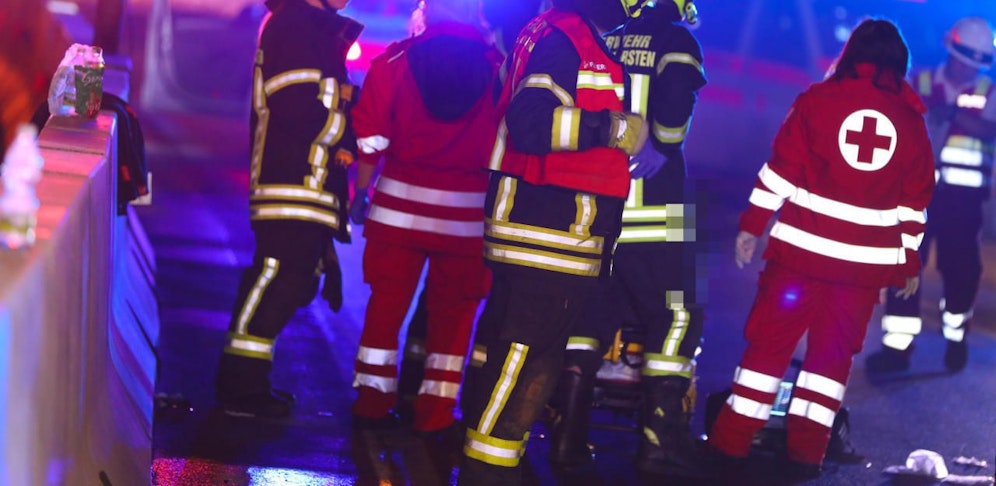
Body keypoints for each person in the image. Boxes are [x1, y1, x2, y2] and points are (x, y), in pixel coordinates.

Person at [707, 18, 935, 480]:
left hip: (799, 260)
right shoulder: (912, 124)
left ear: (852, 54)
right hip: (859, 273)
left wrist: (753, 224)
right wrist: (907, 260)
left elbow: (781, 171)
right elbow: (915, 204)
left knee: (767, 350)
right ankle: (805, 457)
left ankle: (729, 447)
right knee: (830, 363)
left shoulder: (817, 101)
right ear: (899, 65)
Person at [457, 0, 650, 483]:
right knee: (522, 354)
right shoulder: (566, 40)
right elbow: (530, 121)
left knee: (526, 354)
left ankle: (498, 461)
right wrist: (612, 128)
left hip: (547, 228)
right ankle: (484, 470)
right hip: (546, 229)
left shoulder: (556, 31)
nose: (640, 5)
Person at [547, 0, 708, 477]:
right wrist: (663, 142)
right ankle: (661, 441)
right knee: (679, 312)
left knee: (591, 313)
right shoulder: (676, 41)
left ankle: (567, 437)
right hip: (655, 210)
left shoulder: (597, 34)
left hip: (597, 205)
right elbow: (676, 100)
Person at [347, 0, 501, 438]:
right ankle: (435, 414)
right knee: (454, 320)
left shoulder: (395, 59)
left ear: (427, 11)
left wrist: (361, 191)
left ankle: (372, 403)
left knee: (385, 309)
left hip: (397, 211)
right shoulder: (497, 68)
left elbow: (371, 137)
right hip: (465, 220)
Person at [214, 0, 361, 419]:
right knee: (277, 273)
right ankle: (239, 388)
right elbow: (297, 105)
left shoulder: (308, 25)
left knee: (293, 279)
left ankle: (248, 383)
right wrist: (349, 125)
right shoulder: (297, 24)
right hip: (290, 177)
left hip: (307, 181)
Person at [866, 17, 996, 374]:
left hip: (963, 201)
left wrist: (953, 114)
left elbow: (990, 128)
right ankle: (897, 348)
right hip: (916, 194)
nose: (967, 70)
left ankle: (956, 338)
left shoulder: (988, 91)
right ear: (950, 52)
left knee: (961, 272)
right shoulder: (919, 80)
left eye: (974, 64)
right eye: (963, 61)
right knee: (904, 265)